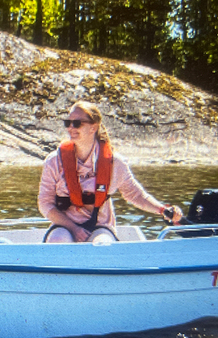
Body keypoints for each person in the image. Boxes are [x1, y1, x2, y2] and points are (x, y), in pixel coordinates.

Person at [38, 100, 182, 243]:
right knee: (58, 240)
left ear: (93, 127)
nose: (70, 128)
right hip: (64, 226)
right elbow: (45, 203)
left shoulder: (115, 163)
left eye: (77, 123)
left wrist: (163, 210)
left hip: (100, 227)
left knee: (102, 244)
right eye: (67, 122)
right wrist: (74, 229)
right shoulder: (54, 161)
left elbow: (136, 195)